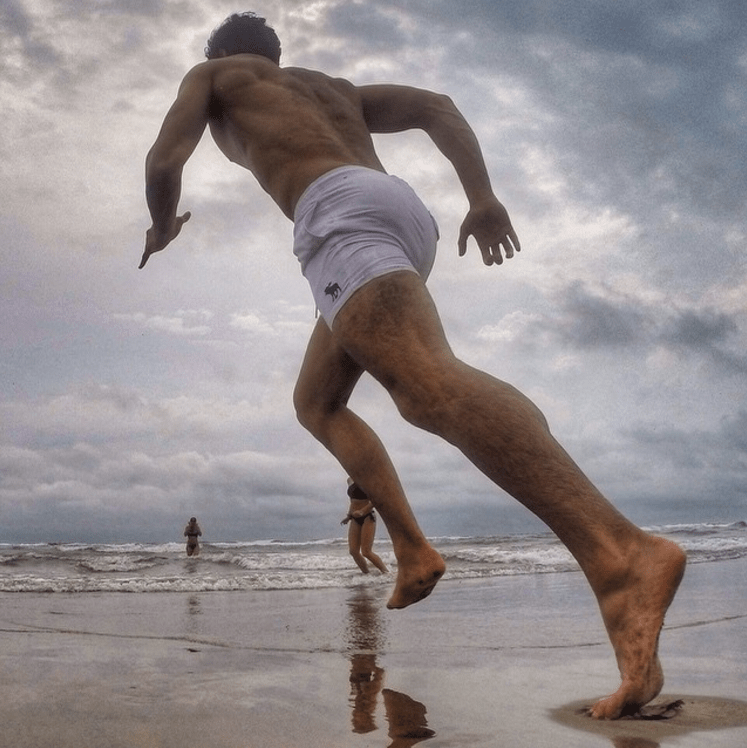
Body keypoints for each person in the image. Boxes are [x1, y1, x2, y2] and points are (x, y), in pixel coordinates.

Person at [140, 12, 686, 719]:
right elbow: (437, 107)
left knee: (426, 387)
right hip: (399, 214)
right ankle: (412, 546)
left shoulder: (217, 75)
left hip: (338, 214)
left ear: (220, 52)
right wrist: (482, 197)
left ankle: (622, 556)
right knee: (316, 402)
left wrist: (162, 226)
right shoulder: (334, 89)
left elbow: (163, 162)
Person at [341, 478, 389, 574]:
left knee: (366, 552)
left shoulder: (366, 477)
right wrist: (349, 516)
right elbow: (352, 501)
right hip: (355, 517)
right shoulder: (349, 480)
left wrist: (362, 511)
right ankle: (366, 574)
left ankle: (386, 573)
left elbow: (375, 500)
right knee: (353, 551)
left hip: (367, 516)